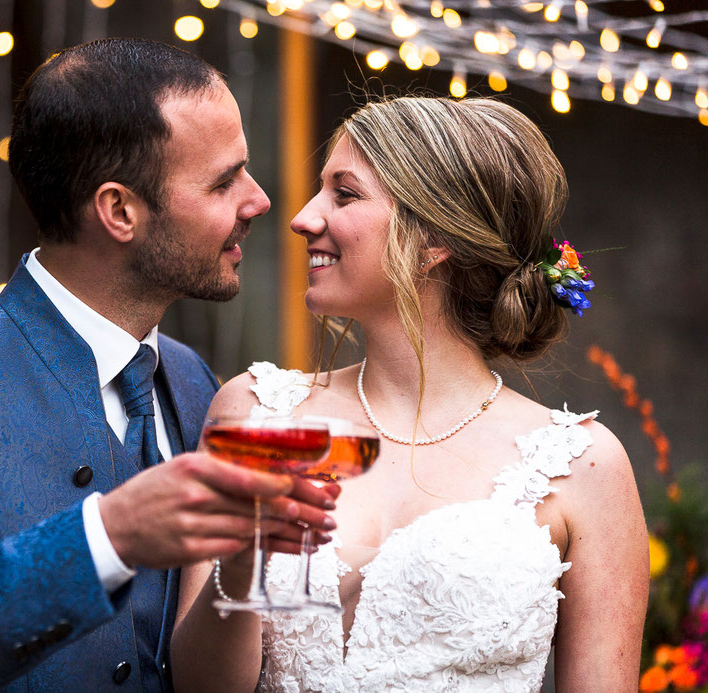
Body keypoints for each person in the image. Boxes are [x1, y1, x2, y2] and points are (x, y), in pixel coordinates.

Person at [0, 38, 337, 692]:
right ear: (119, 210)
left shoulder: (193, 382)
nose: (258, 200)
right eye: (223, 180)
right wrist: (106, 538)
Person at [172, 96, 649, 691]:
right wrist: (242, 566)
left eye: (343, 194)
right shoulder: (254, 410)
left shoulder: (582, 465)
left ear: (434, 240)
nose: (302, 217)